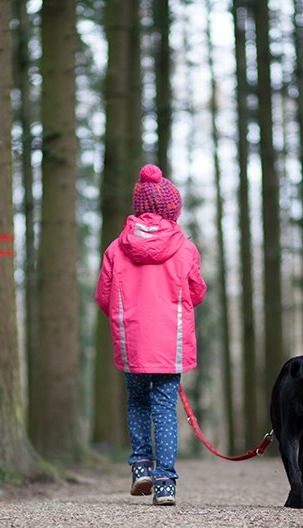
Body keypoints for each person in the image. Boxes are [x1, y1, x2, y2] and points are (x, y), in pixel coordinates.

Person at [94, 164, 207, 506]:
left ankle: (141, 465)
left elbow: (103, 295)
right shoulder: (185, 248)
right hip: (169, 344)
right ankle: (166, 483)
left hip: (133, 341)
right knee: (163, 408)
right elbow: (197, 291)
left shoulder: (117, 248)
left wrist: (126, 317)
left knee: (138, 402)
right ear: (173, 209)